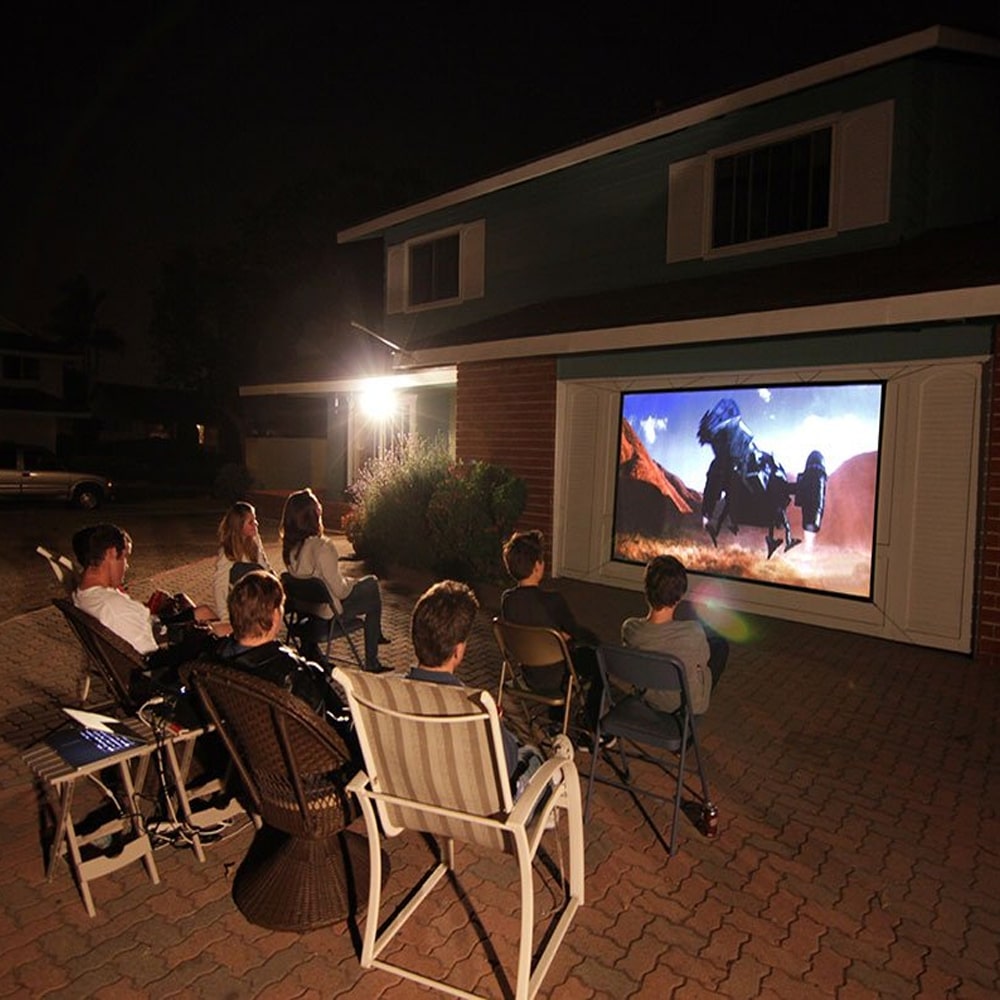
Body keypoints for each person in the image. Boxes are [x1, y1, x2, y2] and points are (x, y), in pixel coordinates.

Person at [407, 579, 542, 797]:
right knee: (532, 756)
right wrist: (495, 721)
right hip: (466, 801)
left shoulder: (381, 698)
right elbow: (507, 765)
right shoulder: (476, 708)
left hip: (411, 796)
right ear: (458, 651)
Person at [213, 570, 355, 749]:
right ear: (274, 616)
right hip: (308, 756)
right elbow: (329, 730)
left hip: (253, 747)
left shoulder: (218, 656)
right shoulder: (291, 674)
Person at [500, 529, 604, 737]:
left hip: (529, 673)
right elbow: (574, 632)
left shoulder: (507, 600)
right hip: (558, 676)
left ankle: (556, 724)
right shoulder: (552, 600)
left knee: (552, 650)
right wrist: (592, 640)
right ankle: (591, 725)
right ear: (537, 566)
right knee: (599, 661)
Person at [280, 488, 389, 672]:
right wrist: (352, 582)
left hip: (306, 612)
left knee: (368, 586)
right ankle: (372, 659)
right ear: (313, 515)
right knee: (371, 585)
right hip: (327, 615)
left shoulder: (291, 548)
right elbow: (340, 591)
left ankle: (375, 634)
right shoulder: (322, 547)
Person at [620, 555, 728, 715]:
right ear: (680, 596)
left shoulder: (630, 629)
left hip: (648, 696)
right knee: (720, 646)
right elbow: (702, 661)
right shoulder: (693, 633)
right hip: (685, 705)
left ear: (646, 590)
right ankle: (688, 724)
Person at [213, 501, 272, 622]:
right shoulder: (228, 552)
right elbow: (219, 586)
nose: (256, 524)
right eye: (251, 522)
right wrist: (225, 617)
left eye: (255, 519)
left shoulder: (254, 540)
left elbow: (264, 565)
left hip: (258, 598)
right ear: (239, 526)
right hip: (242, 602)